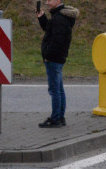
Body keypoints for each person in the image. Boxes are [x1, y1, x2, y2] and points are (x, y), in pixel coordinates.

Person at [36, 0, 79, 128]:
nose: (47, 2)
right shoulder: (60, 16)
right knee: (59, 89)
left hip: (53, 59)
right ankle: (60, 117)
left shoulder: (59, 18)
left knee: (54, 90)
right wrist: (42, 18)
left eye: (50, 0)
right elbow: (50, 30)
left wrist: (47, 54)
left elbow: (57, 41)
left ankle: (55, 119)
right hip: (58, 58)